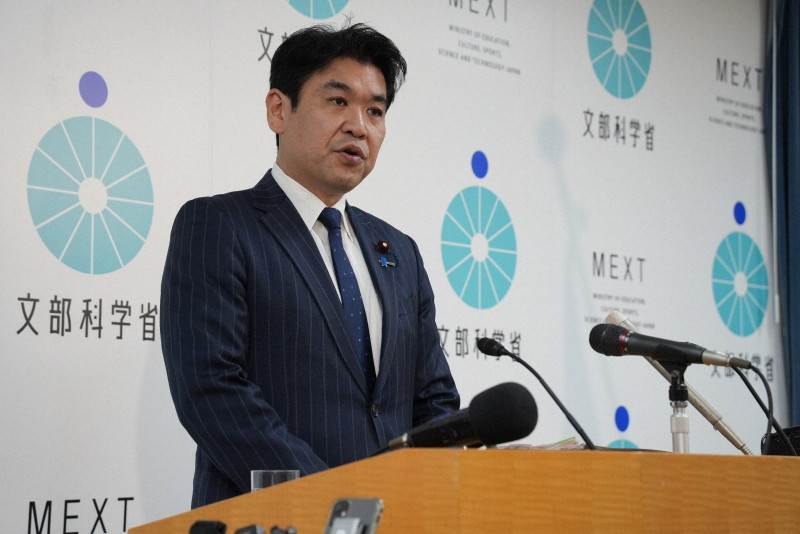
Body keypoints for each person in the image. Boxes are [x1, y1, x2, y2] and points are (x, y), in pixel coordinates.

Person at [160, 23, 460, 508]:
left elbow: (434, 399)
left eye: (375, 111)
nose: (359, 126)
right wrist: (334, 502)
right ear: (278, 110)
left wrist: (423, 498)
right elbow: (211, 390)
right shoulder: (219, 226)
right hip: (271, 516)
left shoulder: (400, 252)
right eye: (338, 101)